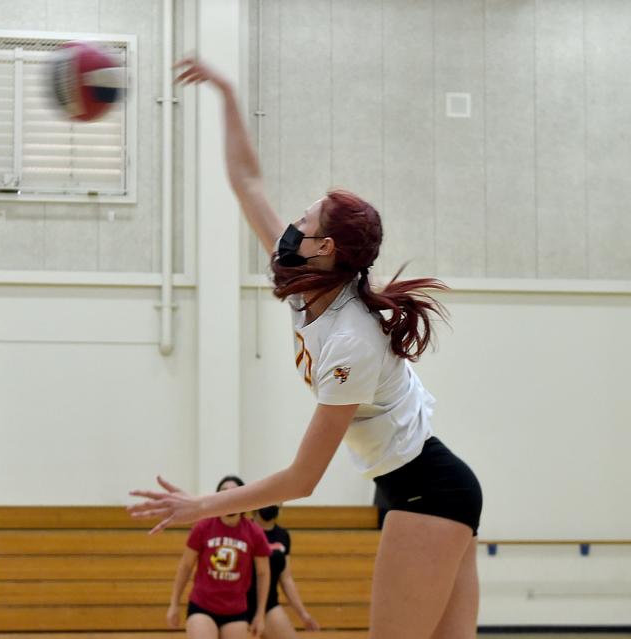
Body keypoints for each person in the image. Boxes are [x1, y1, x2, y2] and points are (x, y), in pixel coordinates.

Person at [130, 57, 483, 639]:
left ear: (323, 246)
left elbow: (301, 480)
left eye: (306, 218)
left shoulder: (350, 344)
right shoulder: (304, 283)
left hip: (429, 490)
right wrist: (225, 92)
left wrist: (202, 505)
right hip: (420, 485)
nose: (291, 222)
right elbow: (247, 182)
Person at [167, 475, 271, 639]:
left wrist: (260, 614)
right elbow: (186, 566)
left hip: (236, 611)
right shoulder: (203, 527)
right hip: (202, 607)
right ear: (217, 498)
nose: (228, 496)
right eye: (224, 492)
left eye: (235, 492)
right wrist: (174, 603)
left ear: (243, 498)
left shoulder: (254, 532)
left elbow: (263, 573)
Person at [247, 504, 319, 636]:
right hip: (238, 604)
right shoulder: (244, 529)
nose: (271, 504)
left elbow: (286, 578)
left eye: (276, 501)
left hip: (269, 604)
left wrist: (303, 613)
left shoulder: (282, 535)